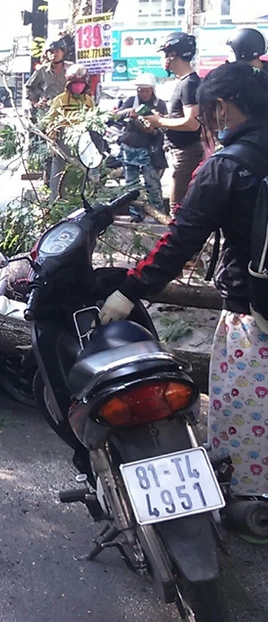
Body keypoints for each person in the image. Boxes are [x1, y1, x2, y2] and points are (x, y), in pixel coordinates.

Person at [99, 63, 268, 533]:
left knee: (245, 415)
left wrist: (129, 292)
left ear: (220, 108)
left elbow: (178, 242)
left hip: (255, 312)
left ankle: (248, 501)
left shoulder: (227, 165)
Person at [144, 32, 202, 212]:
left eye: (164, 54)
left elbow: (192, 123)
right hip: (179, 152)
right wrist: (161, 120)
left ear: (173, 55)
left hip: (186, 154)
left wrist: (160, 121)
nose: (163, 59)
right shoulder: (184, 82)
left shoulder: (189, 83)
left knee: (177, 209)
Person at [112, 73, 168, 217]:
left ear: (152, 90)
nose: (144, 93)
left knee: (152, 184)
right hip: (129, 148)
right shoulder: (131, 101)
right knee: (131, 185)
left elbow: (164, 128)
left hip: (149, 150)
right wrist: (129, 113)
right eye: (141, 90)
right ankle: (135, 214)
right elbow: (116, 116)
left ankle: (159, 214)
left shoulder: (159, 104)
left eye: (147, 90)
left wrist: (152, 130)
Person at [43, 64, 94, 197]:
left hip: (83, 143)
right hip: (62, 142)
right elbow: (49, 120)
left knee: (80, 176)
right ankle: (56, 205)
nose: (78, 86)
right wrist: (52, 140)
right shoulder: (60, 100)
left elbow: (94, 119)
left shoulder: (88, 101)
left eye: (81, 83)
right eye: (75, 83)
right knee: (59, 176)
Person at [25, 38, 71, 112]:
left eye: (57, 51)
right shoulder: (42, 70)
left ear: (63, 52)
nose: (54, 54)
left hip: (68, 110)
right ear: (46, 54)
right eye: (51, 52)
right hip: (47, 111)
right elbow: (28, 87)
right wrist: (35, 103)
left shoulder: (71, 68)